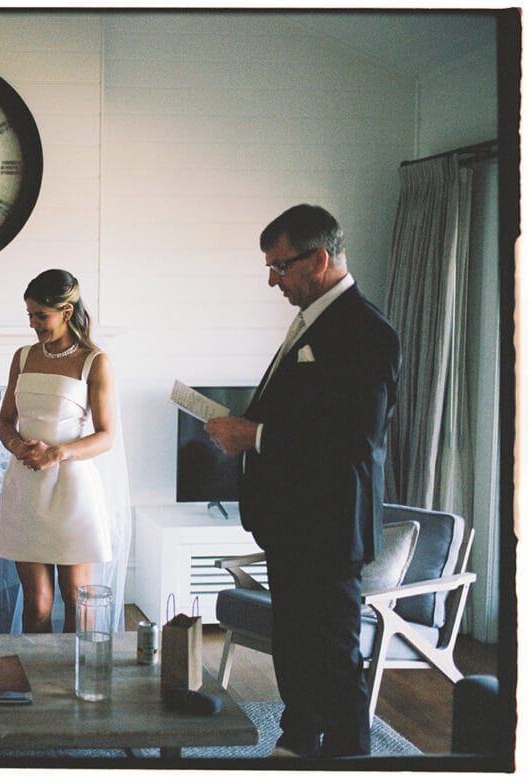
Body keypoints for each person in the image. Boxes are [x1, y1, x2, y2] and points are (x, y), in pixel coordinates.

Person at [205, 204, 400, 759]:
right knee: (293, 643)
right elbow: (307, 412)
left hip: (330, 524)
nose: (273, 280)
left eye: (280, 266)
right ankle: (297, 741)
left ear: (318, 259)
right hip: (292, 521)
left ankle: (348, 759)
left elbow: (355, 439)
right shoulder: (313, 320)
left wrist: (255, 436)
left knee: (334, 655)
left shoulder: (366, 330)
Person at [0, 269, 120, 634]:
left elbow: (106, 436)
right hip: (26, 487)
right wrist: (18, 446)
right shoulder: (22, 357)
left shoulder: (95, 361)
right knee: (38, 604)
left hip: (72, 489)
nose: (33, 324)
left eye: (40, 315)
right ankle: (35, 669)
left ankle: (75, 669)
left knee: (76, 598)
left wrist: (57, 453)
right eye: (29, 315)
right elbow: (5, 422)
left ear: (66, 311)